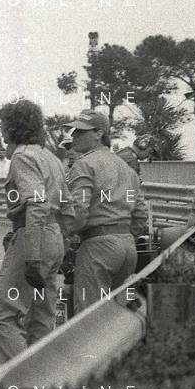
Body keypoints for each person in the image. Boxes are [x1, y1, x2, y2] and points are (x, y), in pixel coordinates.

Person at [0, 99, 72, 365]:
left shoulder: (22, 156)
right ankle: (42, 378)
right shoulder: (51, 158)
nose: (1, 131)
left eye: (3, 124)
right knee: (41, 316)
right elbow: (68, 207)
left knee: (3, 316)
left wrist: (32, 253)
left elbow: (36, 203)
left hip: (33, 234)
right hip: (53, 235)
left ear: (14, 126)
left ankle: (17, 381)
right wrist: (62, 242)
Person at [63, 110, 149, 314]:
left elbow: (78, 211)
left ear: (98, 134)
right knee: (113, 315)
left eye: (81, 131)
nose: (74, 135)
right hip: (127, 248)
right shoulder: (125, 167)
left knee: (88, 316)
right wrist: (127, 237)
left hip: (98, 247)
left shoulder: (84, 164)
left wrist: (63, 238)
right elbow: (141, 213)